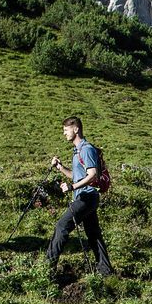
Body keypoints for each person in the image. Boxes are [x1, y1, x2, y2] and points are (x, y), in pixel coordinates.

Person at [44, 116, 113, 277]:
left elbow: (93, 174)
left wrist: (72, 187)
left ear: (76, 129)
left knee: (62, 226)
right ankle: (106, 271)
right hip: (87, 197)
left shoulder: (86, 149)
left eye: (66, 130)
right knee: (94, 234)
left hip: (86, 198)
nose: (64, 134)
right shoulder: (77, 151)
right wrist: (60, 168)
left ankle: (48, 268)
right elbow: (77, 175)